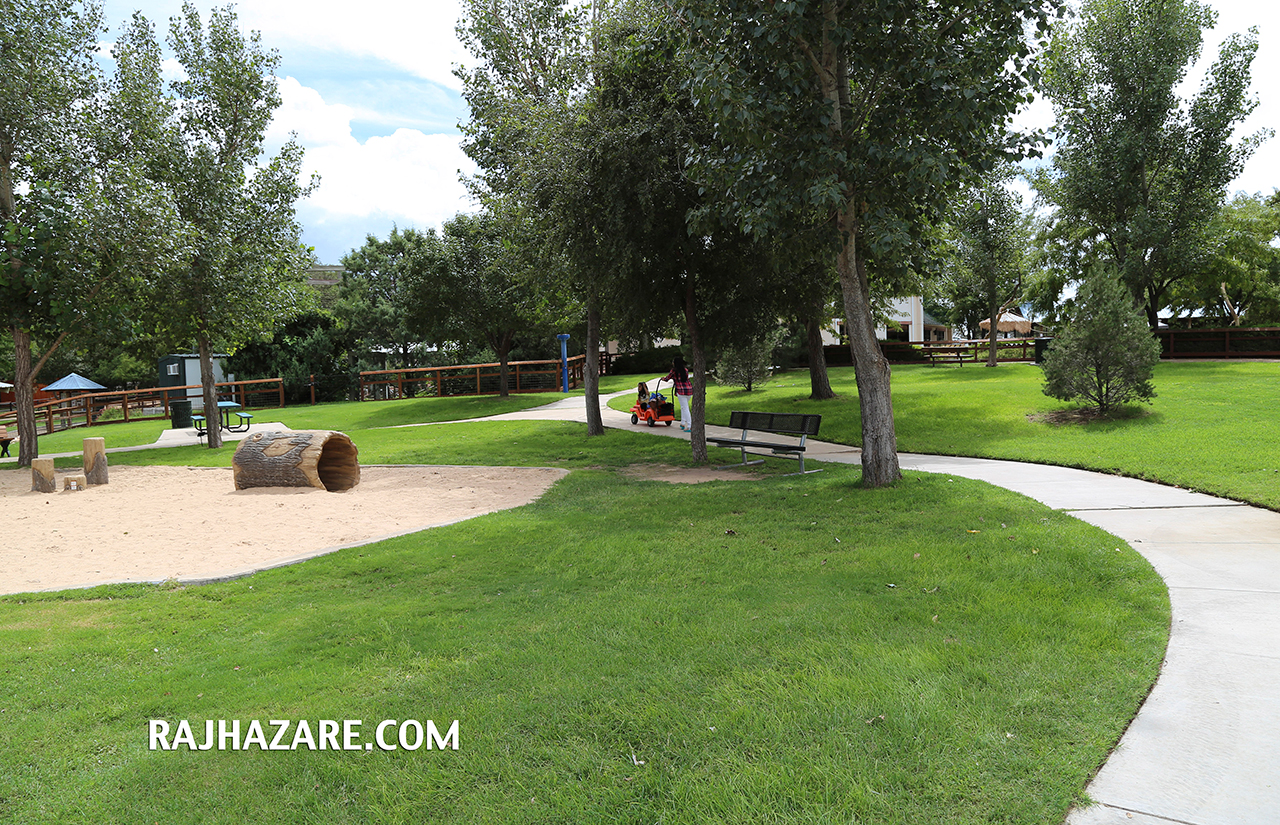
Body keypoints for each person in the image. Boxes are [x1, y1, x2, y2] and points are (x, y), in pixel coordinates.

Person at [663, 356, 693, 431]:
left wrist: (662, 378)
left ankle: (690, 426)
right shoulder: (685, 370)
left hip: (681, 391)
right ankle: (682, 423)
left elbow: (667, 379)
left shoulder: (673, 371)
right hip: (689, 390)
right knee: (683, 407)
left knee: (685, 408)